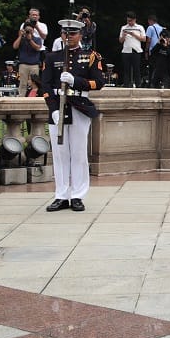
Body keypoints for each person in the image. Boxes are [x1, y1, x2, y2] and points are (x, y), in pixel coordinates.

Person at [42, 18, 105, 212]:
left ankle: (77, 194)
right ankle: (61, 195)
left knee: (78, 153)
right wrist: (53, 110)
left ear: (80, 35)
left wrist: (75, 80)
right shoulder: (52, 57)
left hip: (79, 106)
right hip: (58, 107)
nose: (68, 37)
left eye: (73, 34)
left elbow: (99, 82)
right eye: (65, 33)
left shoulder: (91, 56)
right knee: (60, 155)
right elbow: (45, 86)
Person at [12, 9, 45, 95]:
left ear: (33, 30)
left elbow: (38, 48)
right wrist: (20, 36)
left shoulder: (37, 39)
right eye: (27, 30)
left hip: (34, 64)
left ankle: (34, 97)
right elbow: (15, 46)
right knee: (22, 84)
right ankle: (21, 98)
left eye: (30, 30)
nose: (28, 32)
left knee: (35, 84)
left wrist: (30, 40)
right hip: (23, 64)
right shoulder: (22, 39)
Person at [118, 12, 145, 87]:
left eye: (130, 21)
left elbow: (144, 39)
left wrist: (134, 34)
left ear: (134, 20)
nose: (129, 22)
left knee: (137, 68)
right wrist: (123, 36)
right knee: (126, 69)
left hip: (136, 50)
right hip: (126, 50)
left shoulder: (140, 27)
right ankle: (126, 84)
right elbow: (120, 41)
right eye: (128, 21)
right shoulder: (124, 28)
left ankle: (138, 84)